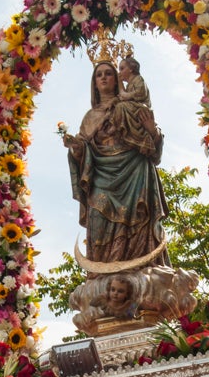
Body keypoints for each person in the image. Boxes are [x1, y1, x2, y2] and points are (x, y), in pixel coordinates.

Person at [64, 60, 168, 265]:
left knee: (138, 224)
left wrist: (152, 131)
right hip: (101, 179)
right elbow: (83, 151)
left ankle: (139, 272)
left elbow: (154, 153)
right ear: (94, 83)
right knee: (98, 222)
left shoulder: (131, 106)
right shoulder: (90, 117)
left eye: (108, 73)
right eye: (99, 74)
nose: (103, 77)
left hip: (134, 172)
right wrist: (76, 148)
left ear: (118, 79)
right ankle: (103, 276)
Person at [113, 56, 156, 159]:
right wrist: (119, 83)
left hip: (141, 109)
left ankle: (132, 135)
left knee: (121, 107)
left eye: (122, 68)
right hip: (133, 108)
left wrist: (126, 96)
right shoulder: (129, 85)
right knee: (120, 106)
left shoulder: (138, 79)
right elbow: (123, 94)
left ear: (131, 69)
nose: (120, 72)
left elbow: (140, 93)